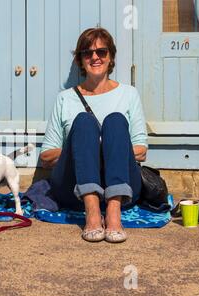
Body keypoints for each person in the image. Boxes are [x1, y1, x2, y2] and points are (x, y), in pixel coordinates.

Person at [40, 28, 148, 243]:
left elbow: (141, 151)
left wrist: (103, 146)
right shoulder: (65, 99)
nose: (95, 57)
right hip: (74, 189)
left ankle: (113, 213)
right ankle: (91, 212)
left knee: (116, 120)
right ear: (80, 60)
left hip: (122, 184)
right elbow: (46, 155)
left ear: (111, 57)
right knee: (84, 122)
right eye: (87, 53)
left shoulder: (129, 94)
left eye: (102, 51)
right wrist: (81, 148)